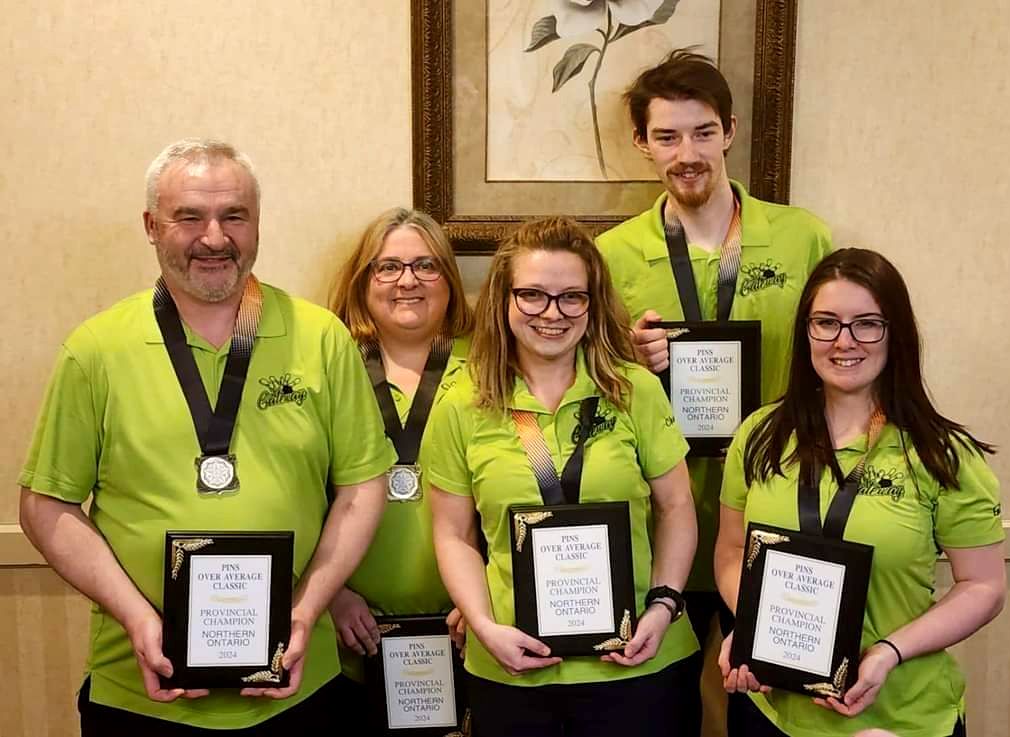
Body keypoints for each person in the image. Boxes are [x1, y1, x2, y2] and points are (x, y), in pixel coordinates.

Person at [17, 138, 396, 735]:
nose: (214, 238)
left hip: (301, 689)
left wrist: (305, 612)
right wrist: (139, 620)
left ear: (257, 224)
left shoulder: (322, 339)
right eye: (189, 216)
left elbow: (362, 486)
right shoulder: (95, 350)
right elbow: (47, 504)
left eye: (234, 216)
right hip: (140, 694)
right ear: (151, 225)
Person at [421, 216, 701, 737]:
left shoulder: (634, 390)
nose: (552, 313)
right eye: (532, 295)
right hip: (515, 665)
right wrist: (483, 628)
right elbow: (453, 534)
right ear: (503, 301)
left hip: (641, 659)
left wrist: (664, 606)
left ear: (593, 304)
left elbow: (677, 508)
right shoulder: (462, 403)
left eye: (572, 296)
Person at [715, 248, 1006, 737]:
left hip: (898, 718)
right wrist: (751, 626)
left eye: (867, 323)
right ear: (806, 330)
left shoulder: (942, 454)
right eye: (826, 322)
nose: (844, 341)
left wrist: (888, 654)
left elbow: (984, 586)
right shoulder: (760, 435)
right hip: (774, 713)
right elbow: (728, 550)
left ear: (896, 333)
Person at [596, 49, 833, 647]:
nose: (687, 154)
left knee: (763, 696)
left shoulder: (802, 237)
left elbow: (842, 359)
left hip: (776, 507)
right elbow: (580, 383)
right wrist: (624, 361)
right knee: (666, 706)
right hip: (663, 521)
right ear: (642, 143)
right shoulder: (610, 255)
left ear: (729, 131)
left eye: (703, 133)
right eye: (667, 136)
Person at [325, 207, 473, 731]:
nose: (407, 280)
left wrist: (484, 600)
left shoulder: (491, 366)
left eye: (425, 265)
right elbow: (296, 490)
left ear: (449, 280)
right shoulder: (329, 366)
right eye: (387, 267)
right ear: (363, 281)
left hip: (466, 626)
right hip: (348, 629)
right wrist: (329, 595)